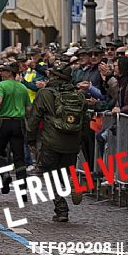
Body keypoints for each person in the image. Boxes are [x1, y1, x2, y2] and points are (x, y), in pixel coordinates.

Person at [26, 63, 85, 222]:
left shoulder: (44, 93)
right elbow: (83, 120)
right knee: (66, 169)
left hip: (51, 140)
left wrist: (30, 139)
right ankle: (73, 180)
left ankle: (61, 209)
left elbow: (34, 118)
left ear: (55, 77)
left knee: (49, 173)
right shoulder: (78, 95)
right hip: (72, 142)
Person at [0, 62, 31, 195]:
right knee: (19, 156)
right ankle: (22, 190)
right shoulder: (22, 87)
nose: (0, 72)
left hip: (3, 122)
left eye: (4, 70)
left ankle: (5, 175)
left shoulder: (1, 85)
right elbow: (28, 108)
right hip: (19, 123)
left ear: (10, 72)